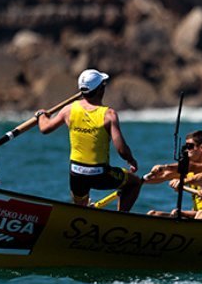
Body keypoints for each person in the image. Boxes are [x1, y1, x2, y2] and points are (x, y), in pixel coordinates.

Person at [37, 68, 141, 210]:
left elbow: (45, 128)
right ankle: (120, 218)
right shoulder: (109, 115)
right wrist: (131, 160)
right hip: (100, 174)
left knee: (80, 203)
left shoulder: (68, 110)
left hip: (76, 173)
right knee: (134, 183)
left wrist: (41, 115)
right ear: (100, 90)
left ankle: (81, 211)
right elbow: (121, 149)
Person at [143, 130, 202, 218]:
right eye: (185, 146)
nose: (186, 150)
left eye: (189, 146)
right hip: (197, 215)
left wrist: (165, 167)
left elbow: (194, 168)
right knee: (153, 214)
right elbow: (164, 176)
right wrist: (141, 180)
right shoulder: (189, 172)